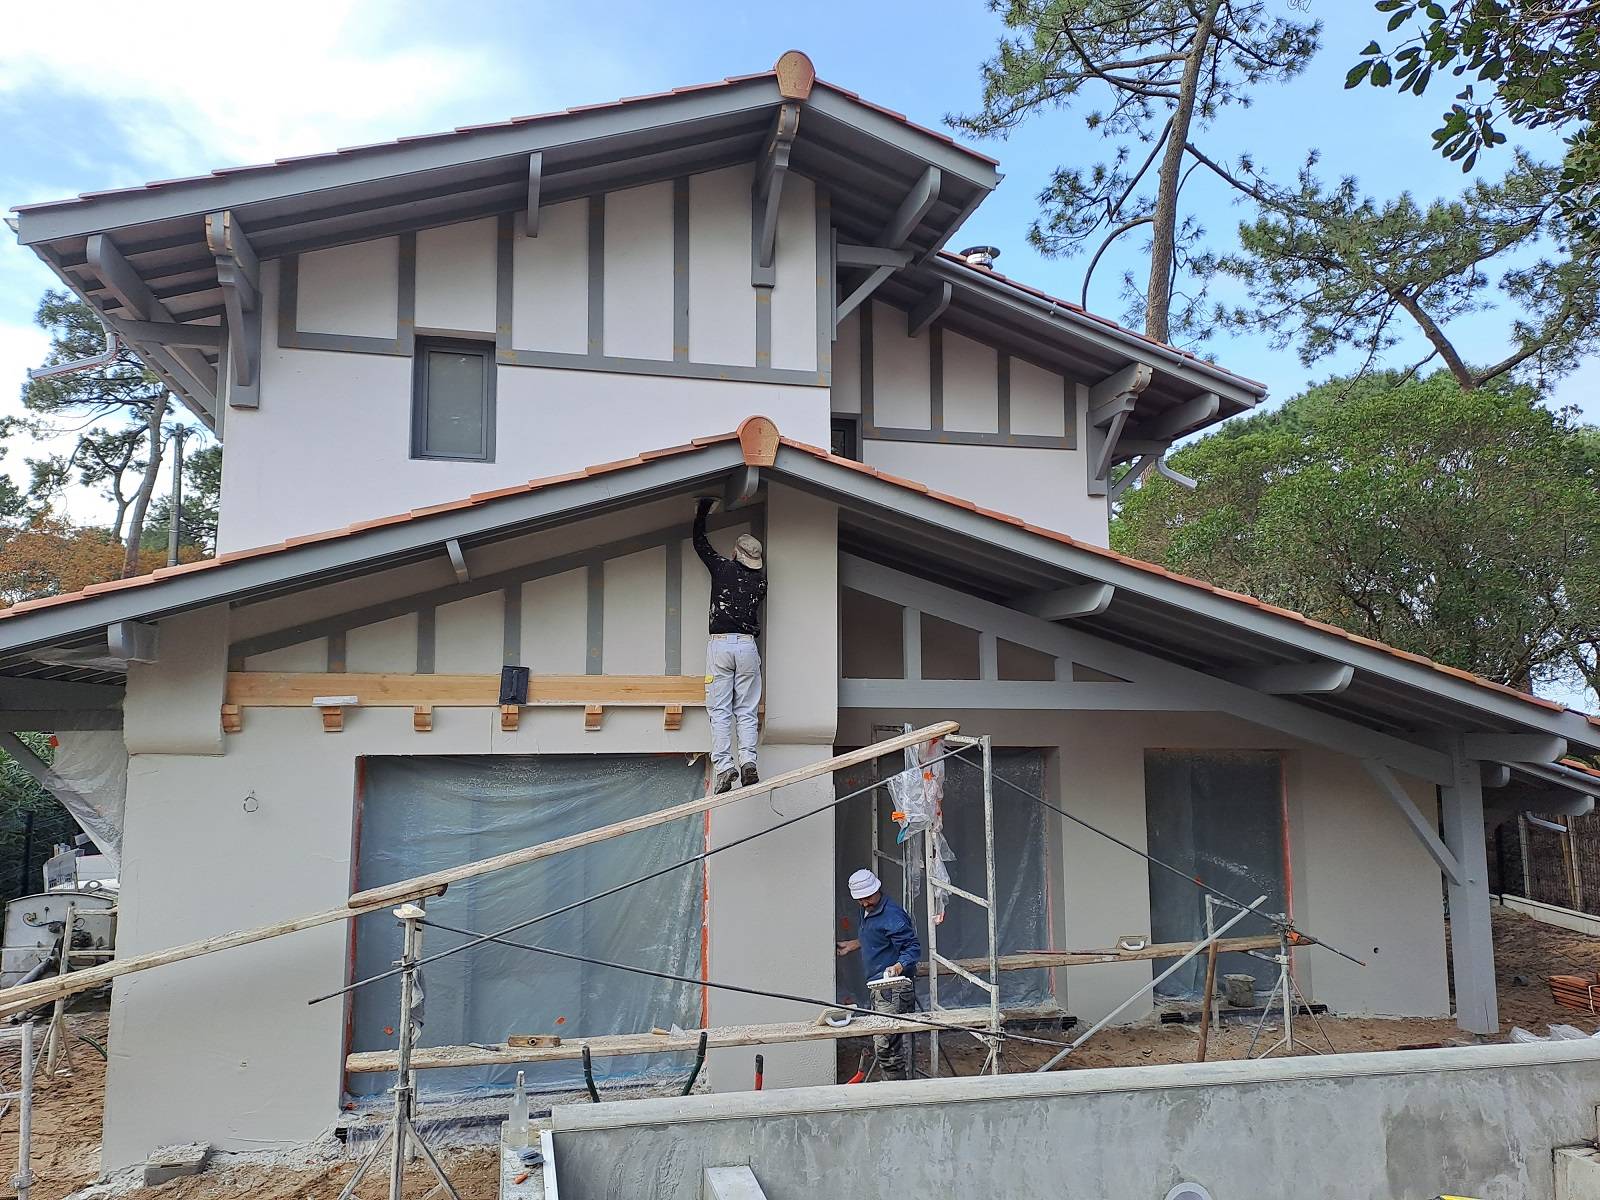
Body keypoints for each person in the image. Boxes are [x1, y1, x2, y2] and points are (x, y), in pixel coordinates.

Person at [694, 497, 767, 794]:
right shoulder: (760, 582)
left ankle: (724, 767)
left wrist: (701, 511)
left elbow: (700, 544)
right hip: (748, 647)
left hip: (721, 646)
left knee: (720, 709)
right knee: (746, 709)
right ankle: (748, 761)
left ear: (736, 553)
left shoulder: (723, 569)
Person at [836, 868, 921, 1080]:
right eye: (861, 900)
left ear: (878, 890)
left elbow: (912, 949)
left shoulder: (892, 915)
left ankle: (897, 1094)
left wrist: (898, 967)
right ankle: (894, 1087)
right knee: (886, 1042)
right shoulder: (867, 910)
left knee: (888, 1046)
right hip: (878, 986)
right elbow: (878, 936)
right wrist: (854, 944)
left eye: (868, 898)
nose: (865, 903)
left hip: (894, 988)